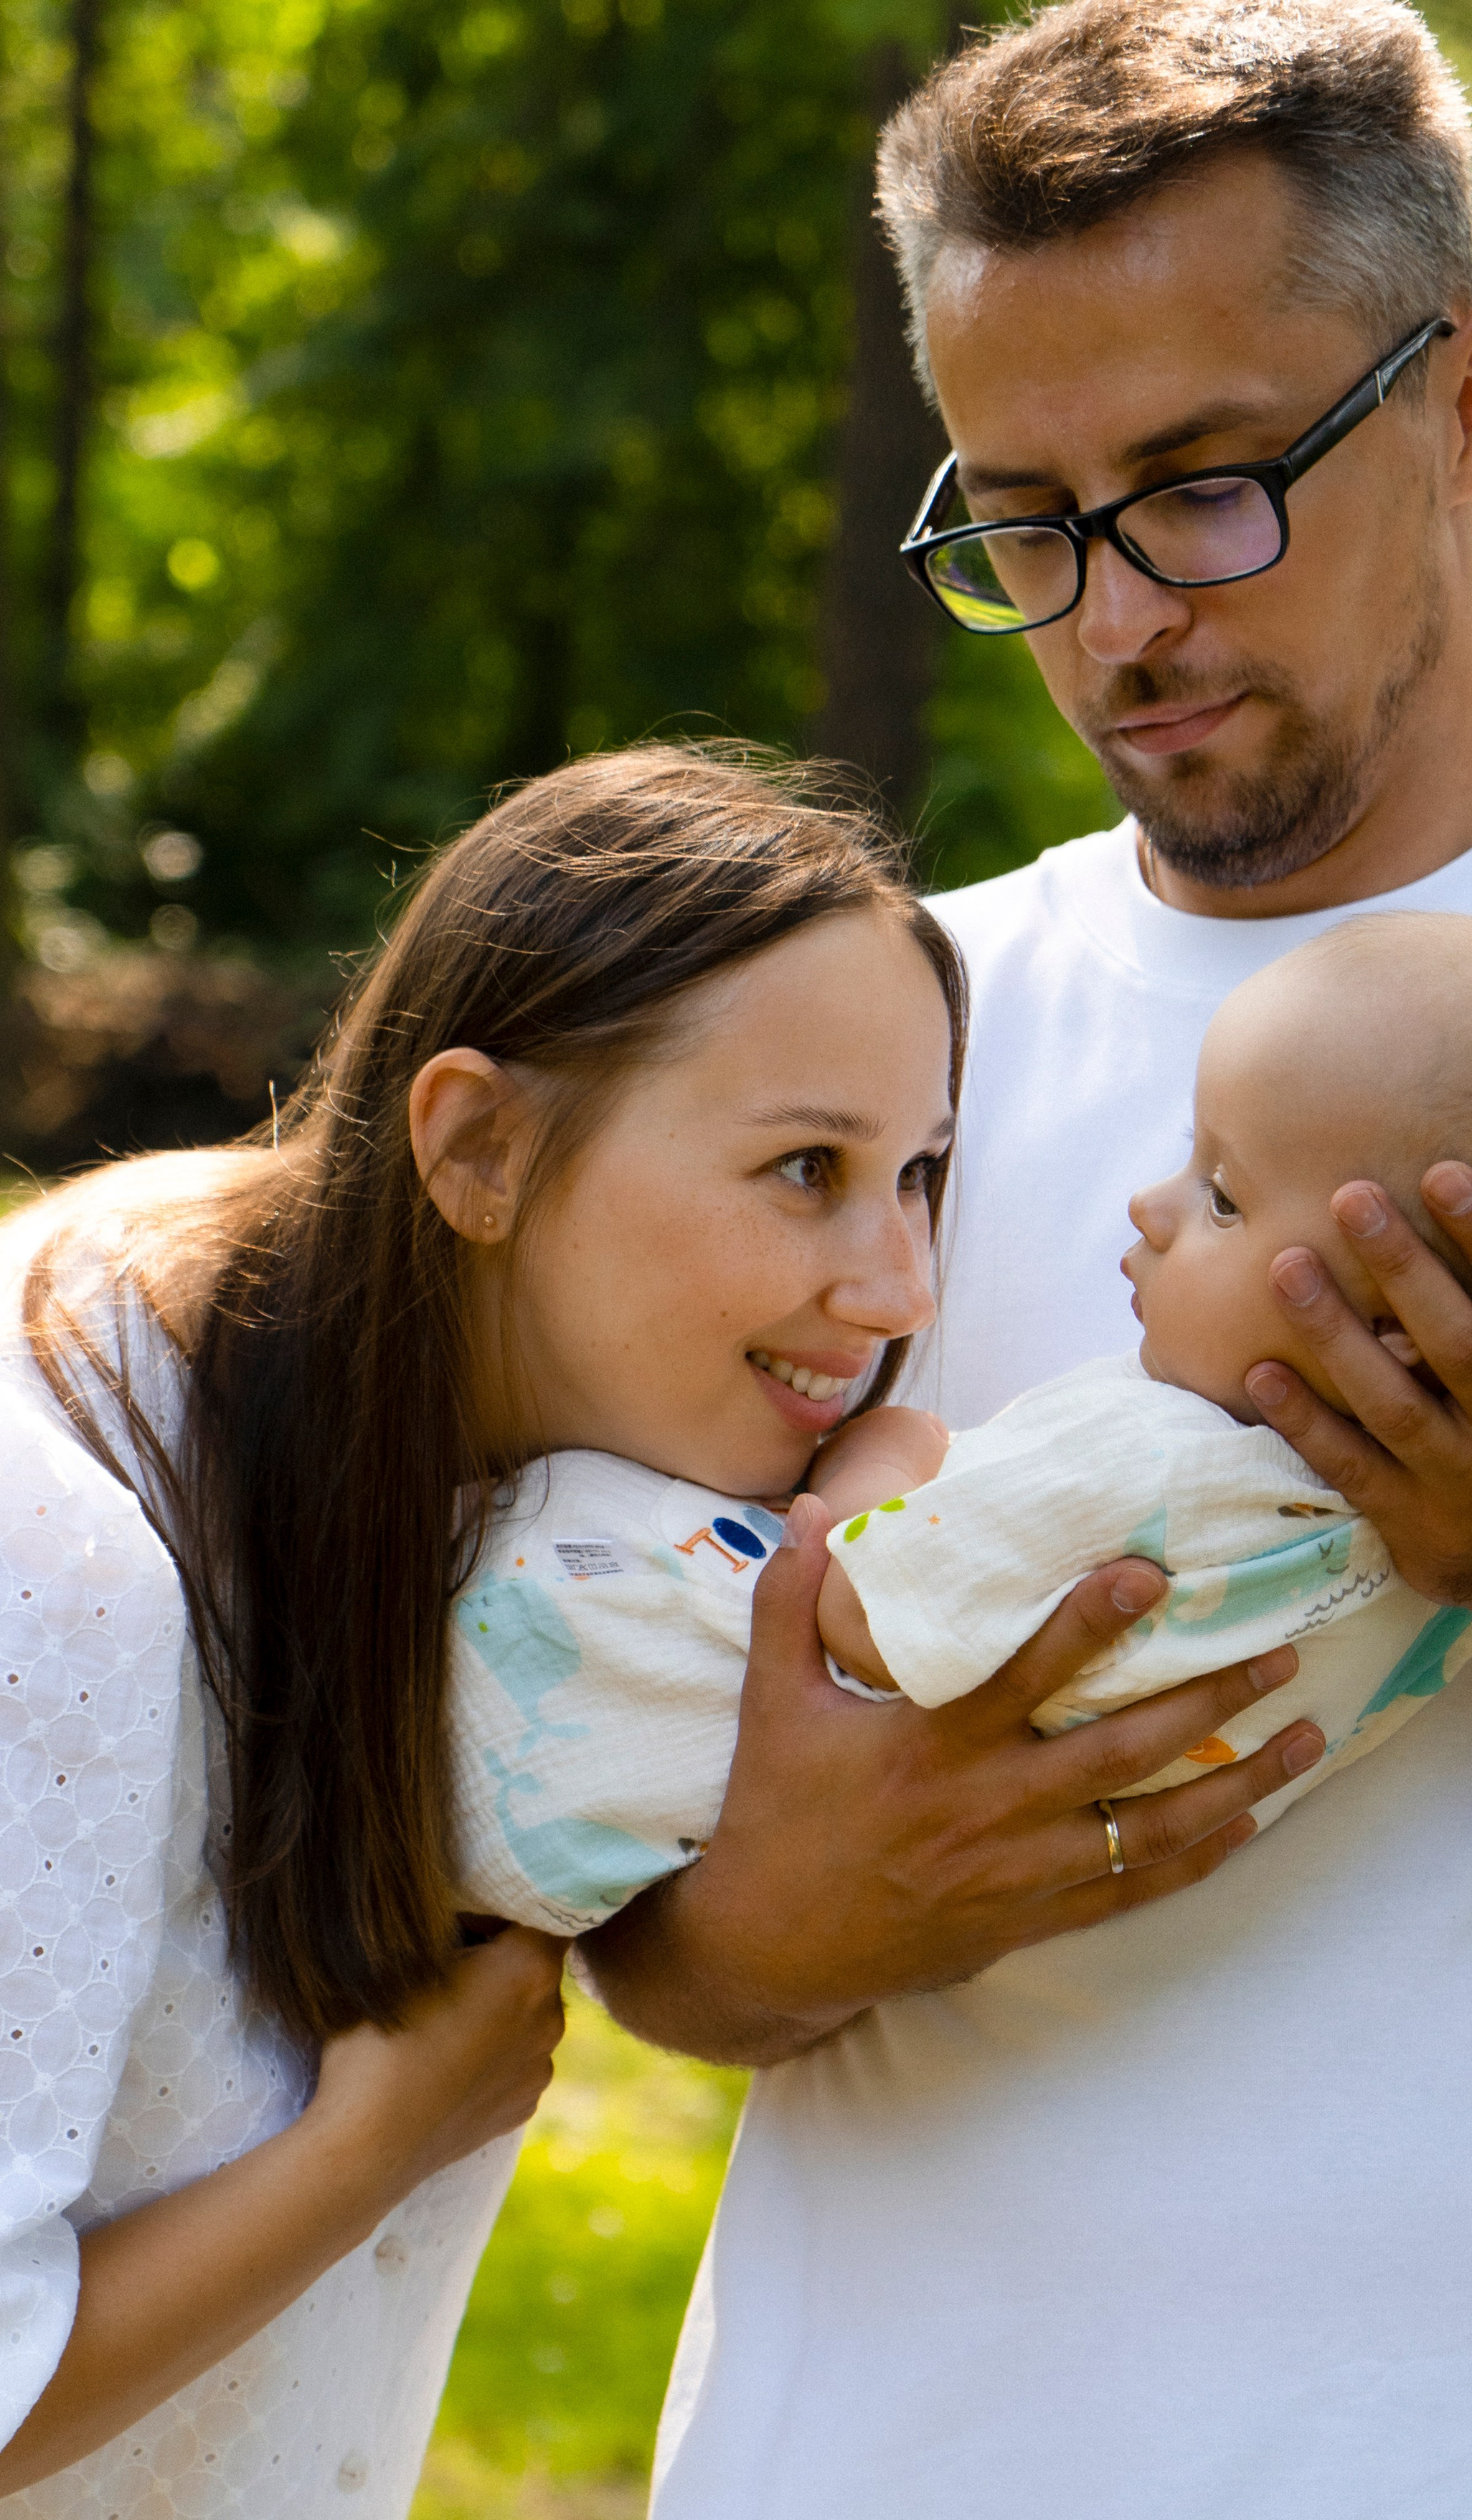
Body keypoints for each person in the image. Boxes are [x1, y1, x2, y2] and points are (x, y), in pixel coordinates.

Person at [625, 6, 1472, 2514]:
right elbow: (634, 1903)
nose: (1115, 627)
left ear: (1471, 394)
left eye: (1204, 489)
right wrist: (787, 1913)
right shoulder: (865, 1051)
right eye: (1023, 521)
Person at [0, 746, 1289, 2516]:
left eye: (917, 1172)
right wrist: (372, 2140)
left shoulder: (488, 1511)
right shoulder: (63, 1562)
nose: (901, 1287)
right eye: (802, 1170)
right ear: (475, 1146)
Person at [458, 909, 1472, 1942]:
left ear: (1402, 1325)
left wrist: (884, 1459)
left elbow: (857, 1605)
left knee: (543, 1536)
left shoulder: (1152, 1462)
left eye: (1220, 1196)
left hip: (572, 1727)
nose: (1155, 1205)